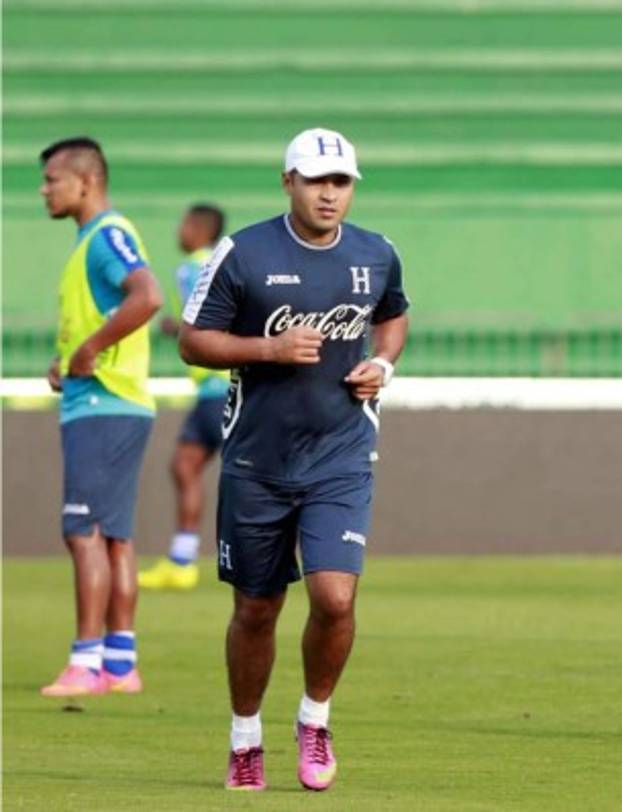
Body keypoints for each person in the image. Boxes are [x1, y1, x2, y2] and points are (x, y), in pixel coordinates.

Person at [179, 128, 408, 792]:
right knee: (256, 608)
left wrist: (383, 363)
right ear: (288, 182)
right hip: (256, 460)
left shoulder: (377, 252)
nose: (329, 193)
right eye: (315, 180)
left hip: (341, 453)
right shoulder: (244, 252)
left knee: (334, 598)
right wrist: (268, 350)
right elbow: (193, 342)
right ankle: (245, 736)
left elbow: (393, 317)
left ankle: (314, 720)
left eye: (340, 182)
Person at [38, 137, 164, 698]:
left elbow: (148, 296)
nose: (44, 190)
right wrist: (69, 355)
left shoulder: (107, 235)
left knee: (84, 531)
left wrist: (89, 351)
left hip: (101, 405)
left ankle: (85, 662)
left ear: (85, 182)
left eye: (52, 179)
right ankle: (119, 662)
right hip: (118, 402)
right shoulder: (94, 241)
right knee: (114, 536)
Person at [139, 204, 228, 591]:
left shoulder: (193, 267)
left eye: (184, 223)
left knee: (247, 475)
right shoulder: (223, 263)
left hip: (221, 385)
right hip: (215, 388)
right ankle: (182, 560)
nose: (179, 230)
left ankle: (278, 555)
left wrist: (176, 327)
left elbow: (208, 319)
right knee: (185, 464)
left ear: (198, 228)